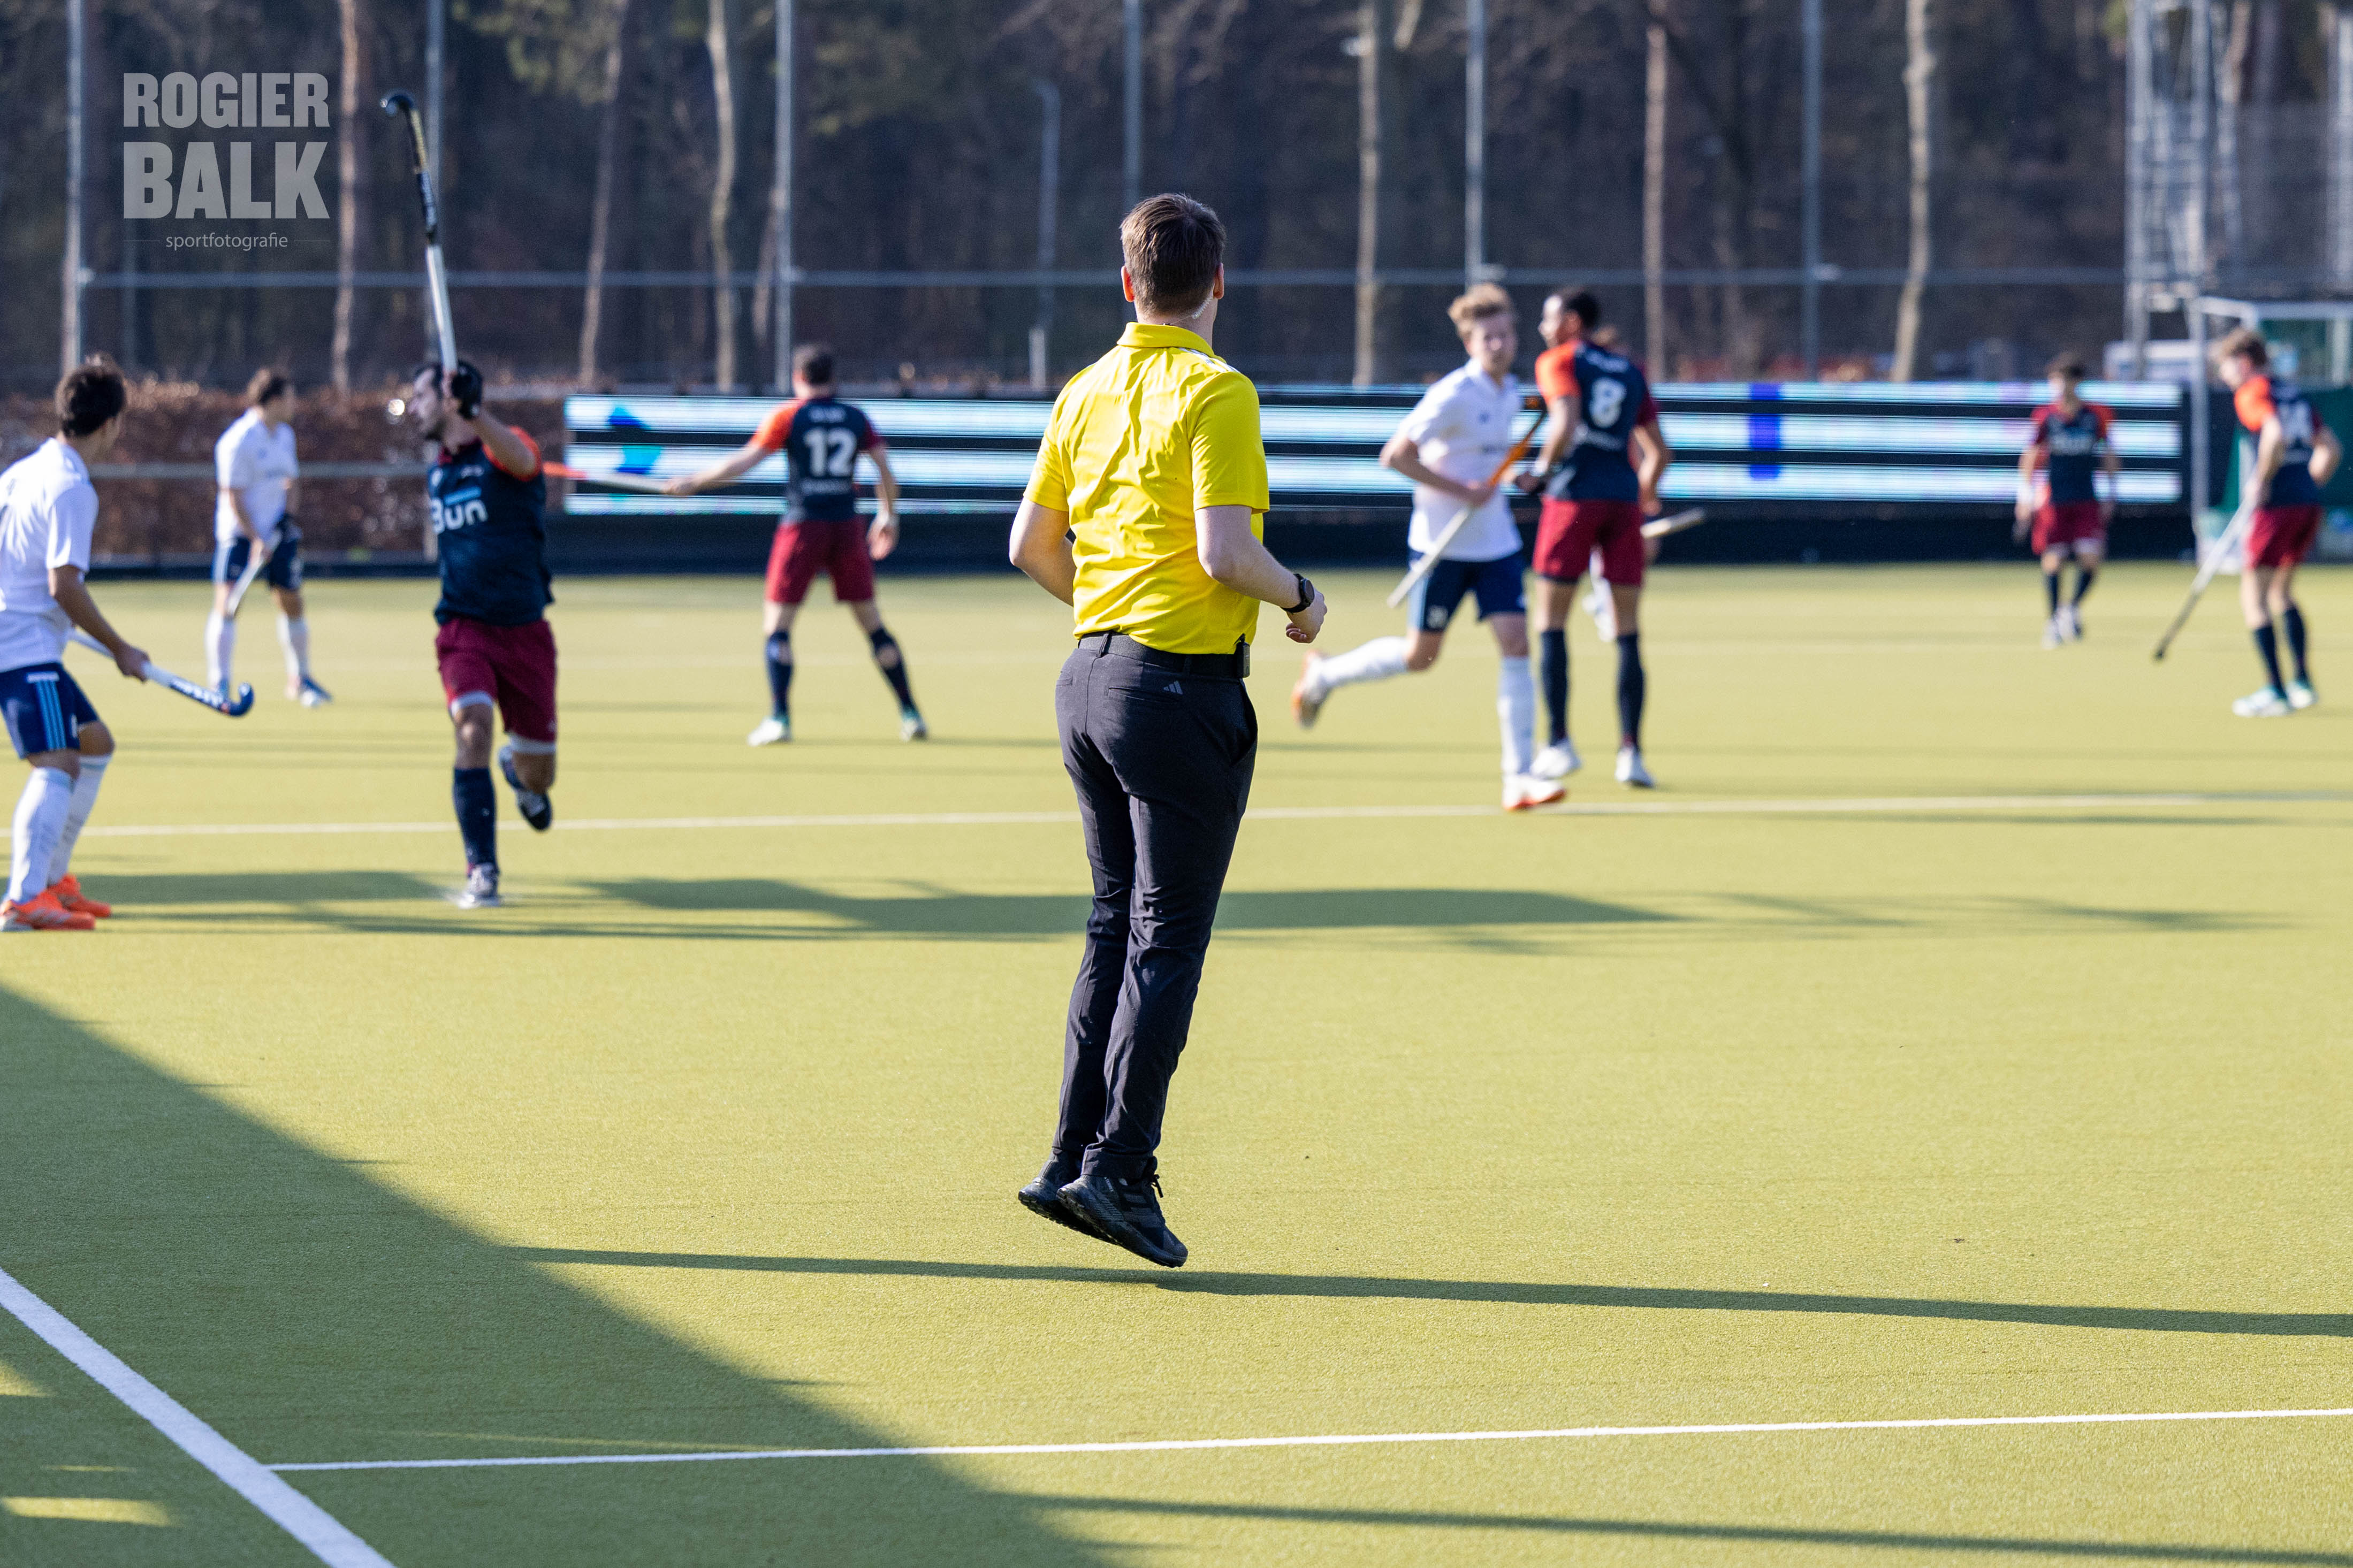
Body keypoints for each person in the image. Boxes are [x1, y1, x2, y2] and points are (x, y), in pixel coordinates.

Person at [1007, 193, 1327, 1269]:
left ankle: (1068, 1156)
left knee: (1112, 924)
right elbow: (1226, 552)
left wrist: (1110, 612)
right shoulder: (1216, 389)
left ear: (1127, 283)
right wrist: (1301, 597)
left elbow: (1029, 545)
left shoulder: (1084, 387)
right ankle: (1118, 1167)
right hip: (1178, 690)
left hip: (1087, 678)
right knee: (1166, 935)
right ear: (1218, 283)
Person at [1288, 283, 1561, 811]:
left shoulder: (1511, 394)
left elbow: (1490, 462)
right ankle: (1325, 674)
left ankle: (1520, 777)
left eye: (1505, 335)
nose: (1498, 345)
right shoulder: (1452, 395)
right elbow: (1395, 456)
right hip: (1441, 545)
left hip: (1496, 544)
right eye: (1487, 337)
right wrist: (1462, 491)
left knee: (1516, 644)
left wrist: (1518, 479)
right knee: (1420, 657)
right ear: (1469, 342)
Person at [665, 344, 924, 745]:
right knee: (872, 624)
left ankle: (780, 718)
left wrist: (694, 483)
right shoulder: (855, 417)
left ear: (797, 378)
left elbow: (744, 462)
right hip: (846, 527)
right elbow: (886, 470)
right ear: (833, 379)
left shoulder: (789, 416)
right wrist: (888, 515)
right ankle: (910, 713)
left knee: (778, 627)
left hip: (803, 527)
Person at [0, 358, 148, 931]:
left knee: (95, 744)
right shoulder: (72, 489)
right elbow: (65, 585)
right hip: (23, 647)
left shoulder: (22, 472)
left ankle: (54, 882)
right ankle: (23, 899)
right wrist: (121, 648)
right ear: (110, 424)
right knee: (58, 762)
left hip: (24, 639)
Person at [407, 360, 557, 908]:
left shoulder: (503, 447)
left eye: (421, 398)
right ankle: (482, 868)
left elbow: (523, 460)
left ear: (449, 400)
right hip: (462, 627)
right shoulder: (438, 471)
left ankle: (518, 773)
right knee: (472, 727)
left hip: (525, 632)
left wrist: (475, 413)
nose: (413, 409)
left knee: (541, 777)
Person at [1518, 289, 1670, 788]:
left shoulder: (1558, 360)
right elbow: (1659, 453)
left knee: (1550, 622)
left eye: (1549, 318)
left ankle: (1559, 744)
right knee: (1627, 631)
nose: (1543, 327)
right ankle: (1632, 754)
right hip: (1622, 502)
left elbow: (1564, 421)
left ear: (1572, 322)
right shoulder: (1629, 369)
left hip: (1573, 499)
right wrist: (1645, 499)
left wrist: (1539, 472)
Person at [2214, 328, 2340, 716]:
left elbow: (2274, 434)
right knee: (2281, 593)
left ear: (2243, 362)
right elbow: (2331, 448)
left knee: (2253, 597)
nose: (2223, 375)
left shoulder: (2252, 392)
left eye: (2225, 366)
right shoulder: (2293, 392)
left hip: (2276, 509)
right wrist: (2306, 485)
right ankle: (2302, 683)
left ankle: (2275, 691)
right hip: (2306, 504)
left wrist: (2262, 481)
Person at [209, 368, 330, 705]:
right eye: (290, 397)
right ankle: (219, 683)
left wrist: (286, 521)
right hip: (239, 535)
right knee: (228, 605)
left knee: (292, 602)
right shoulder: (237, 441)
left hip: (277, 533)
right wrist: (255, 538)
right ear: (274, 400)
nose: (294, 404)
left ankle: (300, 679)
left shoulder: (285, 435)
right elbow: (233, 496)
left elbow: (291, 482)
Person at [2013, 353, 2119, 648]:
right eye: (2054, 380)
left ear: (2077, 382)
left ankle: (2069, 609)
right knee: (2054, 559)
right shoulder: (2045, 416)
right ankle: (2053, 622)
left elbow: (2109, 454)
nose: (2058, 386)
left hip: (2086, 497)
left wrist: (2112, 492)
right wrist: (2024, 497)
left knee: (2090, 559)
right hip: (2054, 498)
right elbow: (2031, 456)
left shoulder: (2096, 415)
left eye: (2064, 380)